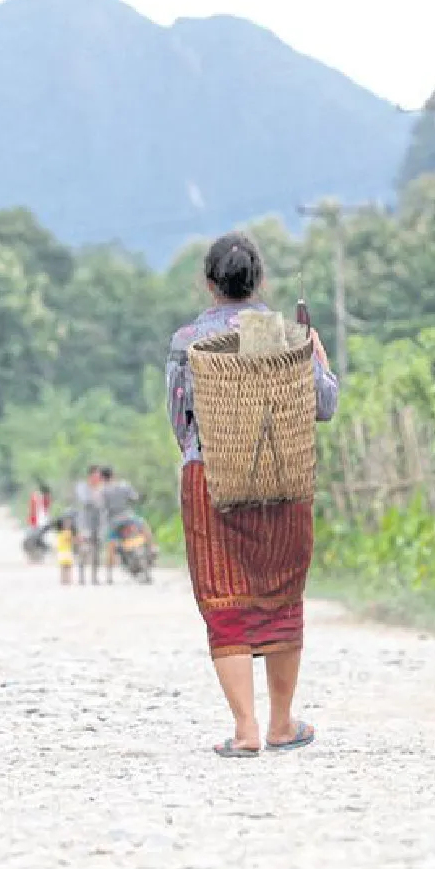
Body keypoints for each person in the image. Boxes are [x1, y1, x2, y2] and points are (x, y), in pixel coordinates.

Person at [165, 231, 339, 757]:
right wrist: (320, 358)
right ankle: (282, 723)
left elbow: (180, 416)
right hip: (281, 480)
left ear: (208, 282)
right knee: (281, 593)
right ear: (260, 280)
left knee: (224, 596)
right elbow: (325, 406)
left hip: (211, 475)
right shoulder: (286, 335)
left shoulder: (188, 340)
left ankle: (245, 730)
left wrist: (201, 452)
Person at [98, 466, 152, 582]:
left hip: (113, 522)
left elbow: (101, 507)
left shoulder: (102, 490)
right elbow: (135, 498)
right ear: (113, 475)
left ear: (102, 477)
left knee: (111, 546)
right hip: (129, 517)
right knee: (144, 526)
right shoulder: (124, 485)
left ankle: (109, 576)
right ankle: (151, 547)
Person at [56, 513, 76, 585]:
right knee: (68, 567)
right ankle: (67, 580)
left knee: (63, 567)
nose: (68, 524)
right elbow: (72, 540)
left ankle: (63, 580)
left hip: (61, 552)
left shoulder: (59, 533)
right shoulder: (67, 533)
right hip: (66, 552)